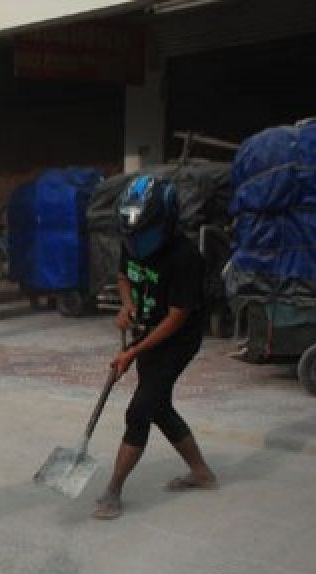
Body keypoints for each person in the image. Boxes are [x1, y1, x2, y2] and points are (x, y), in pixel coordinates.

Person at [94, 176, 217, 520]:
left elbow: (177, 318)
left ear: (165, 222)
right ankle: (202, 473)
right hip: (147, 330)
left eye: (145, 234)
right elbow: (123, 277)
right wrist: (126, 304)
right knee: (158, 406)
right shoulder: (131, 241)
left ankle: (113, 490)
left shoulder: (185, 257)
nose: (137, 243)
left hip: (176, 340)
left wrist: (131, 353)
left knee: (139, 411)